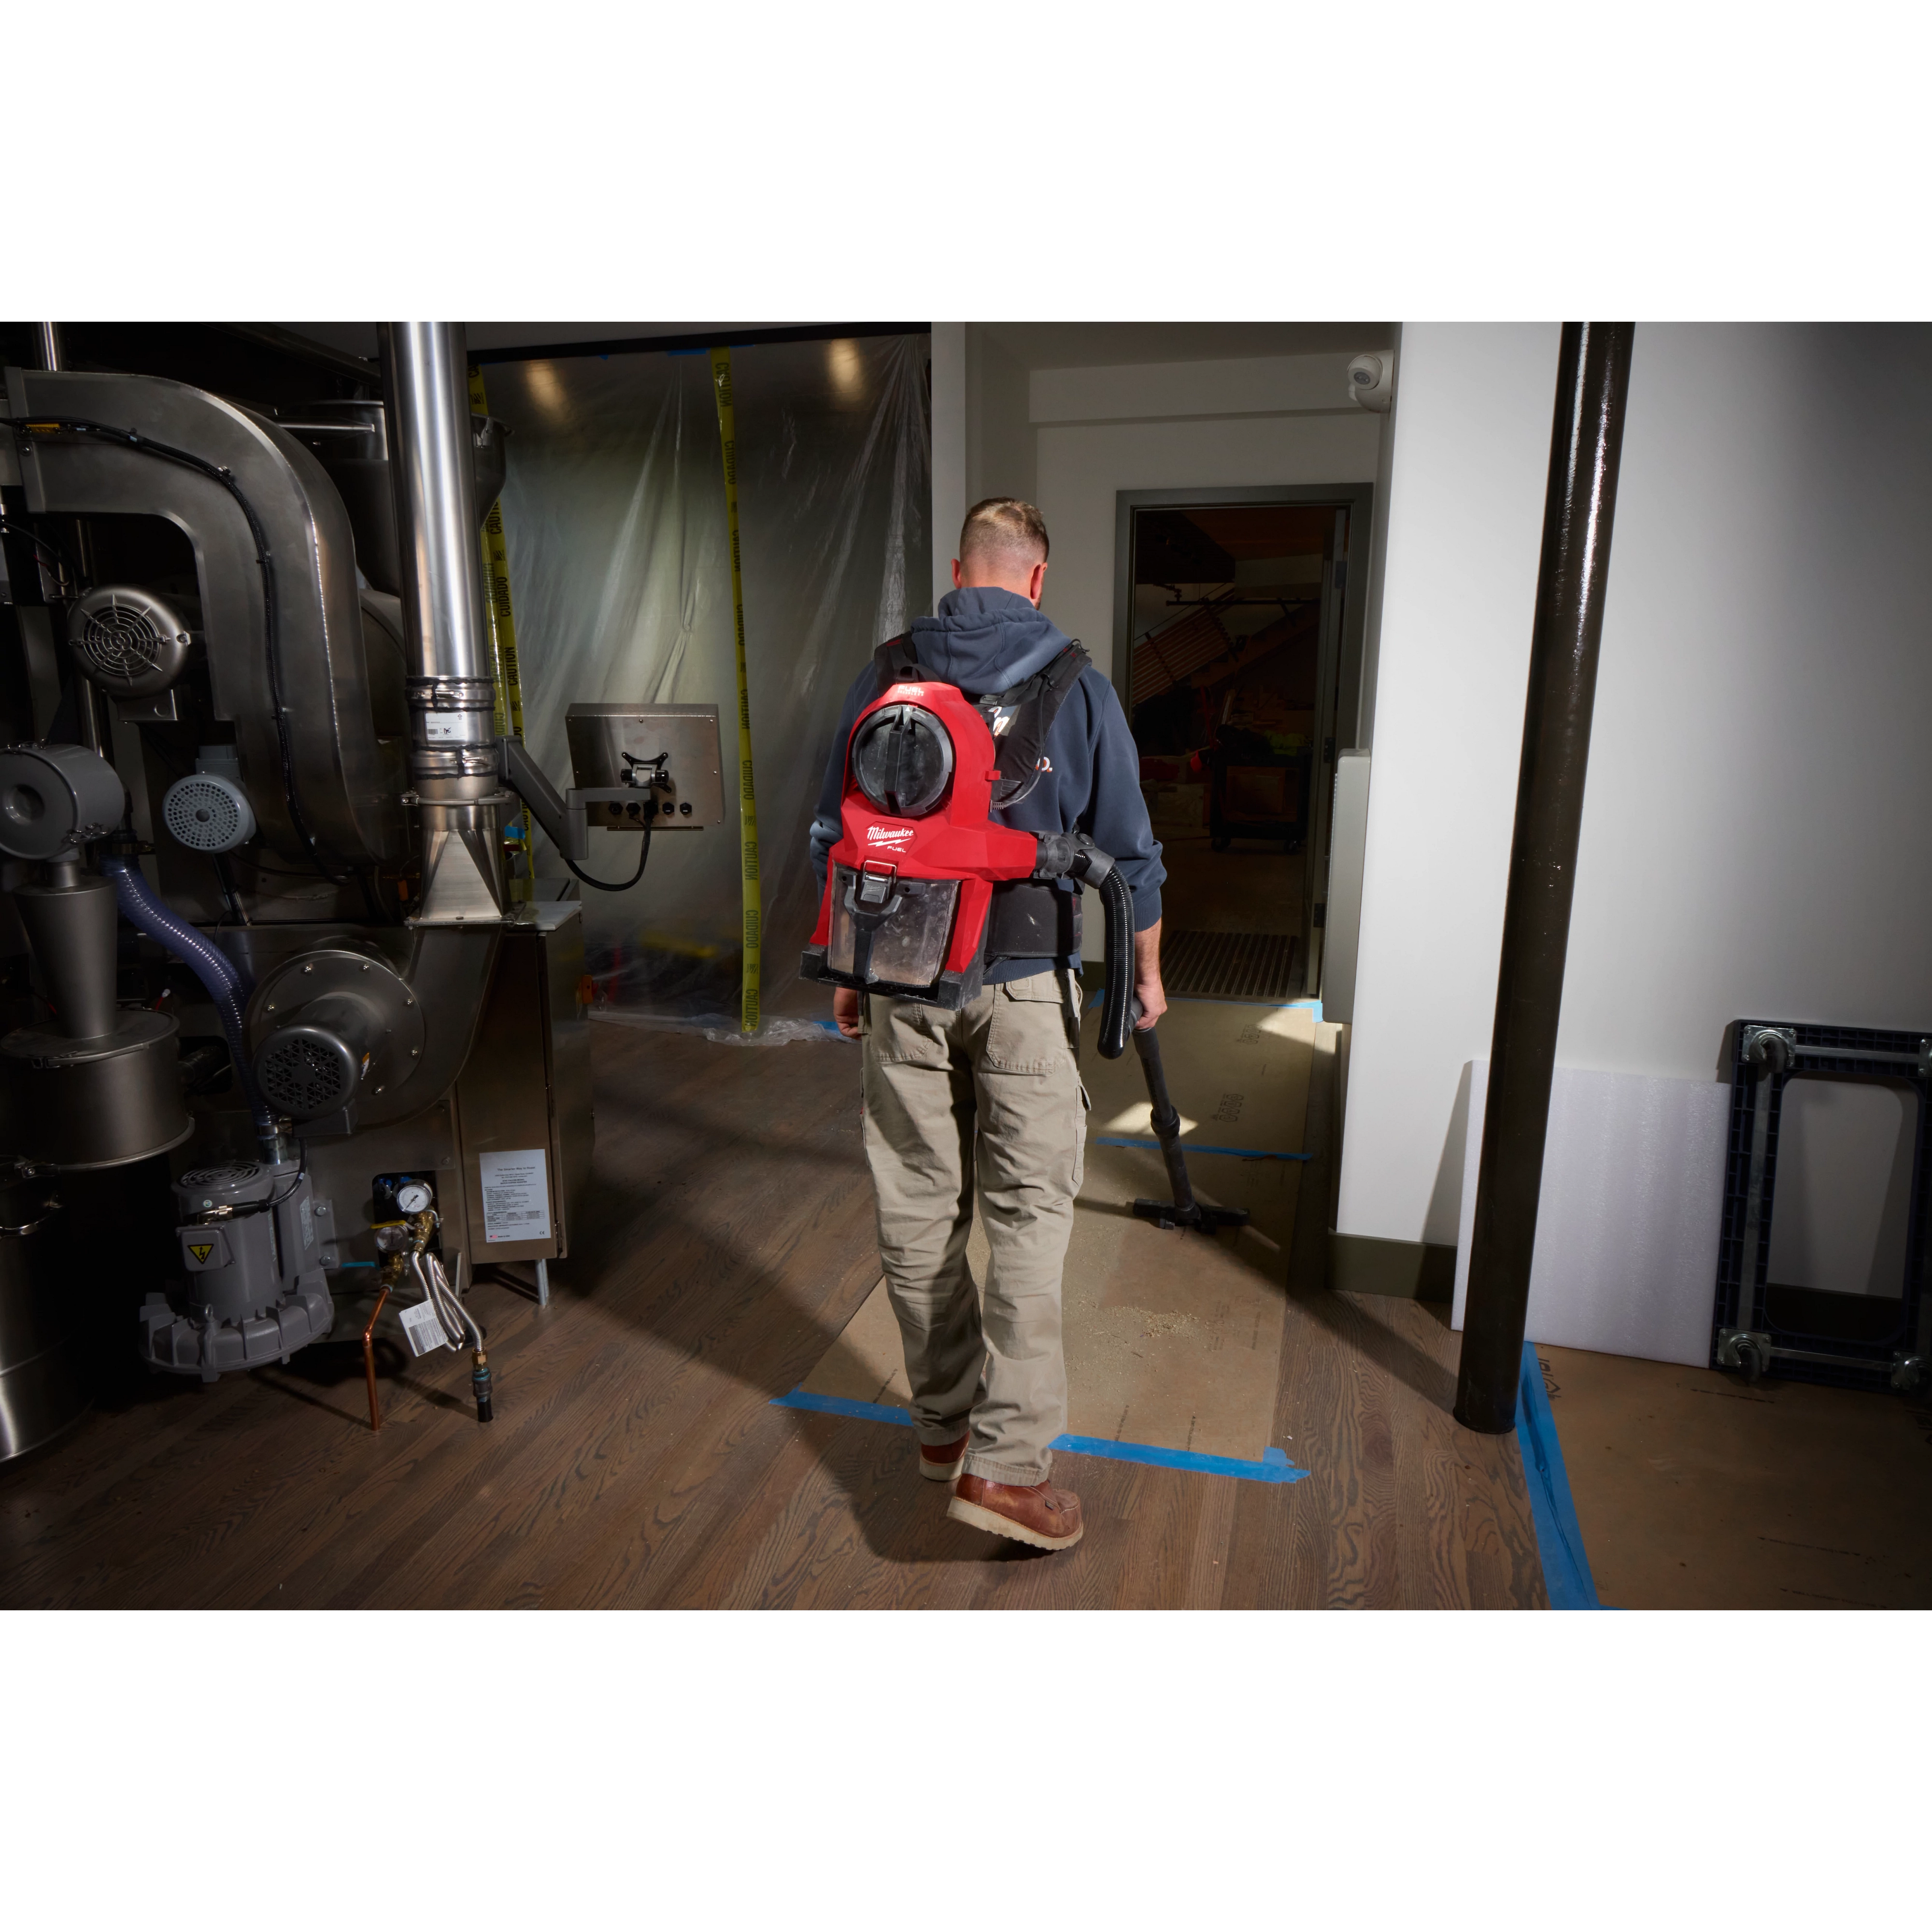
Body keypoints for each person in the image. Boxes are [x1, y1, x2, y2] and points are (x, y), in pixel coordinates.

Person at [810, 498, 1165, 1551]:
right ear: (1037, 577)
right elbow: (1131, 853)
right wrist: (1143, 973)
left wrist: (847, 967)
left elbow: (840, 828)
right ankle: (1007, 1471)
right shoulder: (1081, 687)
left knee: (916, 1207)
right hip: (1020, 984)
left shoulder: (889, 675)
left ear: (960, 570)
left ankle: (940, 1428)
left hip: (897, 972)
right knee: (1026, 1217)